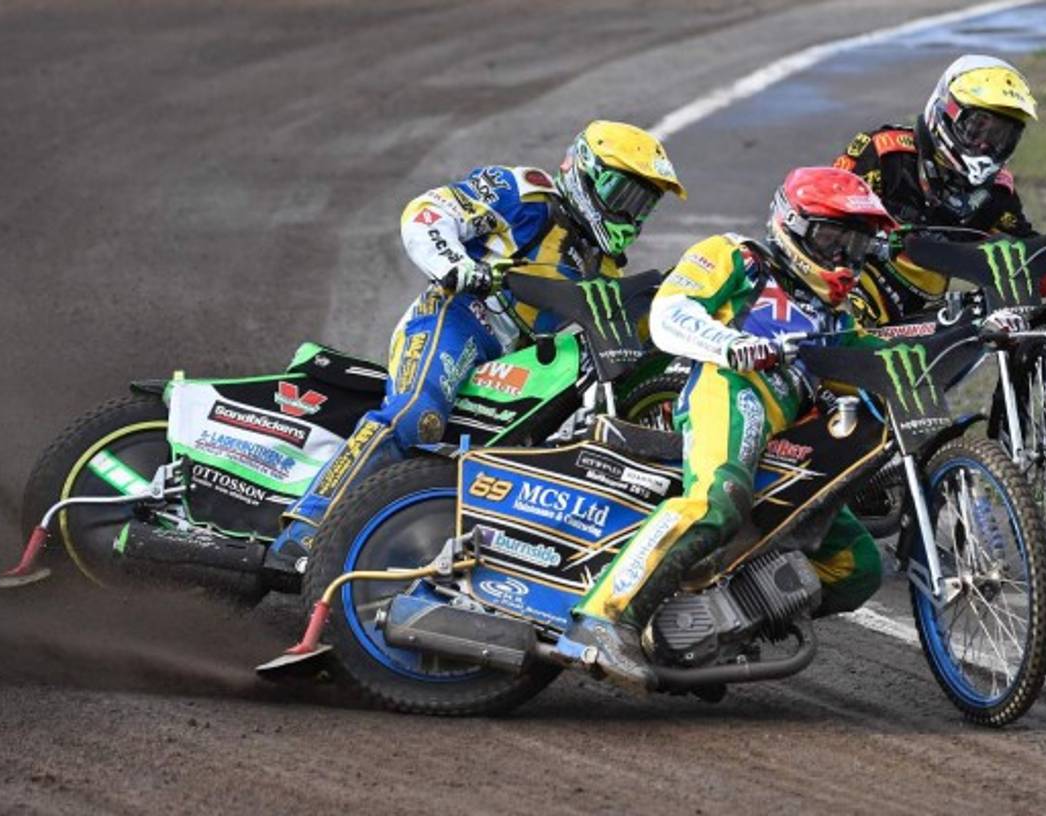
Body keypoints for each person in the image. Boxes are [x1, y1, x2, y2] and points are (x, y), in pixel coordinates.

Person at [265, 121, 687, 571]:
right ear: (585, 171)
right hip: (457, 317)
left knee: (530, 453)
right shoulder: (525, 195)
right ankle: (304, 528)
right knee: (415, 417)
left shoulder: (603, 266)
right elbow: (426, 212)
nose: (634, 214)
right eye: (626, 196)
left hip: (519, 358)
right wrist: (456, 264)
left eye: (645, 204)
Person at [557, 166, 896, 689]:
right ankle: (603, 620)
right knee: (719, 499)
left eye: (857, 244)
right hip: (731, 387)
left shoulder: (838, 318)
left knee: (858, 566)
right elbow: (672, 312)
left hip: (793, 433)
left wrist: (970, 329)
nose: (844, 257)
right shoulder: (737, 256)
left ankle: (711, 628)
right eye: (834, 238)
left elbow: (875, 364)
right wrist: (729, 344)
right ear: (794, 225)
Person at [833, 54, 1046, 325]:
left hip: (919, 318)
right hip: (845, 295)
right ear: (946, 112)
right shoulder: (884, 151)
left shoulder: (997, 192)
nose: (986, 146)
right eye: (977, 128)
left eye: (1002, 137)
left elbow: (1027, 265)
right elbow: (822, 211)